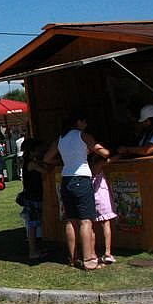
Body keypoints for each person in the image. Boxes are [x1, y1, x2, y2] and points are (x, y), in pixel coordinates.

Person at [43, 113, 110, 271]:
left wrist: (62, 161)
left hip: (66, 179)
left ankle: (72, 257)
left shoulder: (60, 138)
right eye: (84, 121)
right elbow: (103, 152)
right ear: (78, 122)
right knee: (85, 220)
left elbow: (46, 158)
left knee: (71, 220)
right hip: (82, 178)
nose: (85, 124)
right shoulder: (84, 136)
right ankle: (89, 259)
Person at [20, 138, 50, 260]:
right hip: (32, 197)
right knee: (32, 225)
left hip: (32, 196)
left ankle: (36, 248)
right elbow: (46, 171)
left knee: (34, 224)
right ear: (32, 150)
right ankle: (32, 251)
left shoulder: (30, 161)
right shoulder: (31, 163)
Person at [90, 154, 117, 265]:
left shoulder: (87, 166)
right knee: (106, 224)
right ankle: (107, 253)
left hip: (91, 198)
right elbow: (111, 159)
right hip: (101, 197)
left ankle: (92, 253)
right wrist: (121, 153)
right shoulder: (99, 165)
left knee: (90, 225)